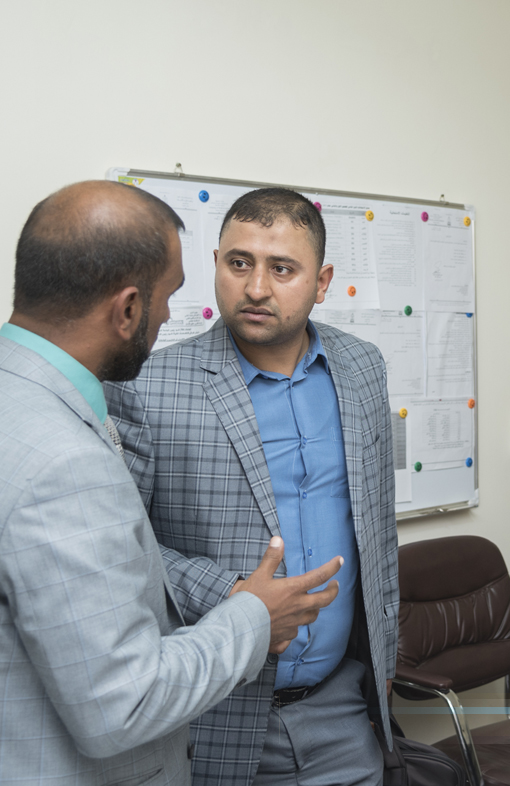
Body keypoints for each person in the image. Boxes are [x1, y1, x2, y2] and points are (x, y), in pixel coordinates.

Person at [0, 181, 342, 784]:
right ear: (128, 309)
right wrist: (255, 616)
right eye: (167, 296)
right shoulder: (64, 464)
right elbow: (124, 701)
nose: (169, 316)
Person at [105, 187, 397, 786]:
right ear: (216, 264)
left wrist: (386, 653)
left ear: (322, 282)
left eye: (282, 268)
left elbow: (377, 525)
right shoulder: (148, 385)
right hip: (215, 713)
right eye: (240, 263)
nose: (256, 287)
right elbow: (119, 549)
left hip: (342, 707)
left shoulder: (362, 367)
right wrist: (237, 595)